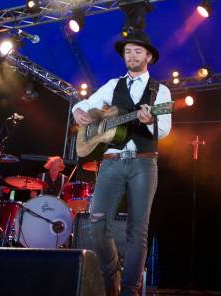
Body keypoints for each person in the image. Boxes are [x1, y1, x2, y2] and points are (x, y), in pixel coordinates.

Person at [72, 31, 172, 296]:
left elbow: (165, 130)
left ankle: (129, 289)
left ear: (148, 57)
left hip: (144, 163)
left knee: (137, 230)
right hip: (111, 161)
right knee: (96, 223)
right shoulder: (112, 85)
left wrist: (150, 121)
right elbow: (87, 104)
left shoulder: (160, 91)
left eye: (138, 51)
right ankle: (111, 273)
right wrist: (78, 111)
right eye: (128, 51)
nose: (132, 55)